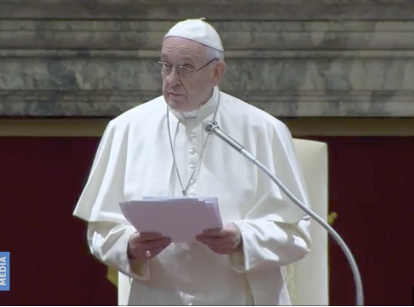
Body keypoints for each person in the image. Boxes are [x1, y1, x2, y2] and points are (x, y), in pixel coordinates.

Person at [73, 18, 312, 305]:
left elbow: (297, 234)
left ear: (216, 72)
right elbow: (101, 229)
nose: (172, 79)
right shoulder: (125, 129)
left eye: (185, 68)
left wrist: (242, 238)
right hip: (157, 297)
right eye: (165, 65)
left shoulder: (263, 130)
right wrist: (128, 246)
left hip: (242, 298)